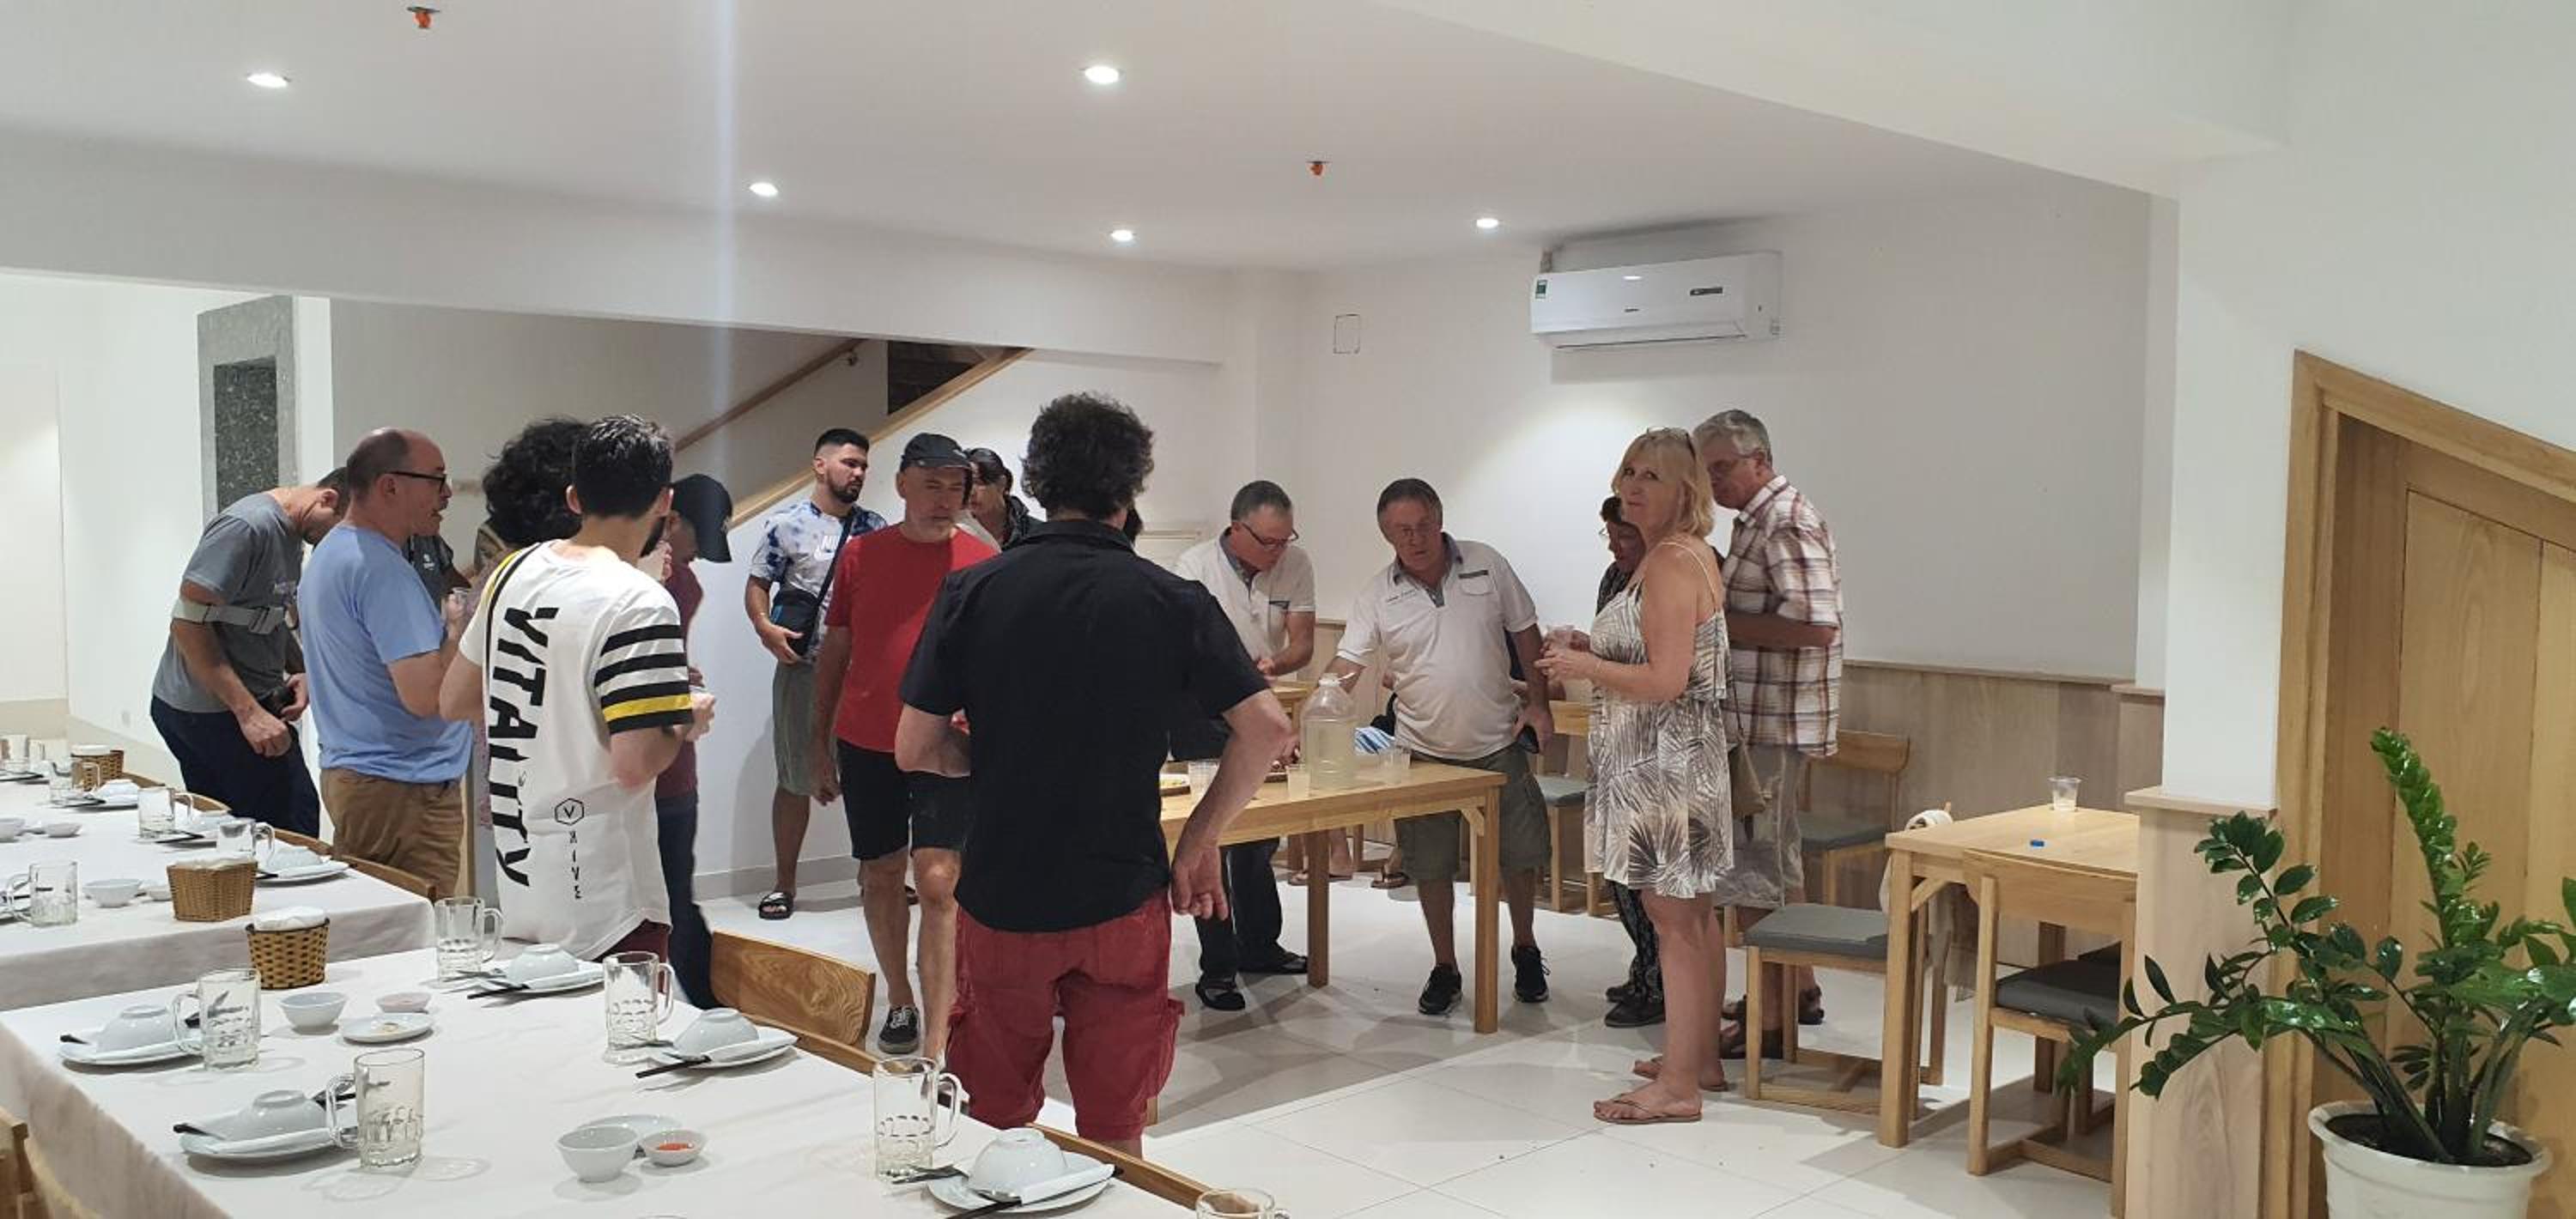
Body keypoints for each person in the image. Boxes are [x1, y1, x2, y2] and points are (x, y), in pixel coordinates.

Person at [896, 393, 1291, 1155]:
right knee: (1116, 1126)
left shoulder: (973, 591)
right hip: (1122, 893)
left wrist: (996, 759)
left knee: (993, 1122)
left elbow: (916, 748)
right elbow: (1268, 729)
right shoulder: (1172, 598)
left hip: (1004, 892)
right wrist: (1201, 838)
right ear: (1130, 486)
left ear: (1038, 481)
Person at [440, 415, 714, 960]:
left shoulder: (511, 572)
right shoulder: (641, 601)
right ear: (665, 502)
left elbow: (455, 700)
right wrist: (685, 720)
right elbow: (635, 762)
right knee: (623, 1014)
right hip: (606, 894)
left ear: (574, 497)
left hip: (522, 877)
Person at [1536, 428, 1734, 1119]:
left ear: (1686, 489)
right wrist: (1592, 644)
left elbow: (1666, 679)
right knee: (1692, 919)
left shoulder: (1674, 560)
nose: (1633, 486)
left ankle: (1678, 1088)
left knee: (1674, 921)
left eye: (1652, 476)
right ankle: (1698, 1059)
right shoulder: (1671, 555)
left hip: (1665, 763)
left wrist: (1583, 665)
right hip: (1671, 758)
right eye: (1628, 471)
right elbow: (1655, 653)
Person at [1321, 479, 1555, 1016]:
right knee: (1430, 864)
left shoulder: (1487, 565)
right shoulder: (1377, 594)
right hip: (1423, 751)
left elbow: (1526, 634)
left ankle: (1525, 948)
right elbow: (1348, 663)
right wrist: (1318, 705)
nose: (1415, 539)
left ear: (1440, 520)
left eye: (1423, 526)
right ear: (1387, 536)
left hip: (1497, 741)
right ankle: (1445, 965)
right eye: (1401, 531)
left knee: (1519, 856)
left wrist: (1539, 704)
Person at [810, 434, 996, 1057]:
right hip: (867, 737)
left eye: (955, 487)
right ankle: (900, 998)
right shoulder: (862, 555)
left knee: (939, 880)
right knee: (882, 872)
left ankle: (939, 1036)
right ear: (903, 486)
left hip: (949, 739)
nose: (945, 499)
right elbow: (836, 649)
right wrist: (817, 742)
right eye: (932, 485)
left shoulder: (980, 561)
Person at [1696, 409, 1844, 1058]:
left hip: (1771, 723)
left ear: (1760, 460)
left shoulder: (1784, 520)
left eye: (1722, 468)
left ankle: (1770, 1021)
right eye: (1706, 471)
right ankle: (1798, 990)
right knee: (1777, 862)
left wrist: (1717, 622)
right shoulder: (1756, 520)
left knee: (1757, 871)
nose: (1713, 482)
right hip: (1759, 720)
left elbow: (1816, 625)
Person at [298, 428, 473, 898]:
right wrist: (457, 629)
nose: (447, 494)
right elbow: (427, 697)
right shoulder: (381, 571)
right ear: (390, 485)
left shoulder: (333, 553)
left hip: (366, 780)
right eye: (436, 479)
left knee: (377, 919)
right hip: (403, 792)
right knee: (414, 929)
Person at [1169, 481, 1316, 1010]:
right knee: (1212, 834)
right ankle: (1218, 966)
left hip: (1261, 704)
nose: (1278, 551)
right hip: (1199, 710)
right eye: (1268, 541)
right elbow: (1185, 649)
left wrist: (1274, 664)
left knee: (1259, 834)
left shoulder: (1295, 563)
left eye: (1285, 540)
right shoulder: (1193, 567)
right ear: (1236, 529)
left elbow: (1303, 642)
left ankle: (1259, 944)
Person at [148, 470, 347, 836]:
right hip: (212, 713)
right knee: (287, 832)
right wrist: (249, 713)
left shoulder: (290, 533)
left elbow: (265, 613)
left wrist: (301, 669)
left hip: (237, 705)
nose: (338, 542)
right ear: (328, 499)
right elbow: (187, 622)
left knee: (262, 829)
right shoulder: (248, 527)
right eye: (342, 529)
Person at [744, 428, 886, 920]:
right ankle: (784, 884)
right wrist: (765, 628)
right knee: (794, 778)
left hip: (863, 673)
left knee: (870, 778)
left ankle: (875, 879)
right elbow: (758, 584)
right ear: (820, 465)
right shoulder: (785, 525)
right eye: (850, 462)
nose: (859, 472)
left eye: (863, 465)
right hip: (803, 668)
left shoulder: (875, 527)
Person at [653, 472, 732, 1007]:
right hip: (664, 766)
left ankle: (712, 1006)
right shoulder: (670, 582)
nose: (698, 555)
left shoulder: (678, 582)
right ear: (672, 519)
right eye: (698, 541)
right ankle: (714, 1006)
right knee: (674, 898)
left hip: (666, 764)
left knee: (672, 900)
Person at [1588, 494, 1666, 1030]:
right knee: (1620, 871)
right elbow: (1609, 651)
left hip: (1654, 745)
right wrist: (1583, 647)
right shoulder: (1614, 579)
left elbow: (1660, 669)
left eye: (1626, 537)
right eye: (1610, 537)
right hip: (1614, 735)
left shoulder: (1669, 581)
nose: (1616, 547)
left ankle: (1661, 985)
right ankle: (1644, 967)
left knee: (1651, 878)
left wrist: (1587, 662)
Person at [962, 446, 1036, 549]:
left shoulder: (1034, 533)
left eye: (978, 482)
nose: (970, 492)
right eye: (964, 484)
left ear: (1001, 484)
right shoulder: (958, 531)